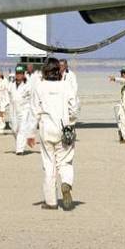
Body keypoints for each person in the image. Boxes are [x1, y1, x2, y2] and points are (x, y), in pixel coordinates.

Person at [31, 57, 80, 210]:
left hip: (46, 130)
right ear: (58, 71)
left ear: (45, 71)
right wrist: (70, 121)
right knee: (65, 161)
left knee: (49, 165)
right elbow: (75, 108)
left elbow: (34, 111)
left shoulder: (39, 87)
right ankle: (66, 183)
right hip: (63, 129)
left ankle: (51, 201)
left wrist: (31, 133)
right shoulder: (66, 86)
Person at [9, 64, 34, 155]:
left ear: (24, 74)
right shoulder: (11, 84)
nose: (18, 75)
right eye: (17, 73)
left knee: (22, 129)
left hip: (24, 110)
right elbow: (7, 95)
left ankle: (20, 149)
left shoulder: (28, 85)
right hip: (13, 110)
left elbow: (33, 98)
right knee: (14, 129)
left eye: (20, 73)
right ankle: (19, 144)